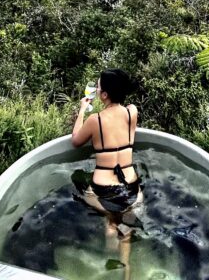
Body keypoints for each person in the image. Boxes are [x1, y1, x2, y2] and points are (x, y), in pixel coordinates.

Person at [71, 68, 143, 268]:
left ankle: (110, 233)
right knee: (125, 222)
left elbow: (75, 141)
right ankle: (126, 268)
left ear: (103, 95)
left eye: (98, 85)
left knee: (84, 193)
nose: (97, 87)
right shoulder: (132, 111)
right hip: (132, 188)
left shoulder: (96, 120)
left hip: (103, 191)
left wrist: (82, 111)